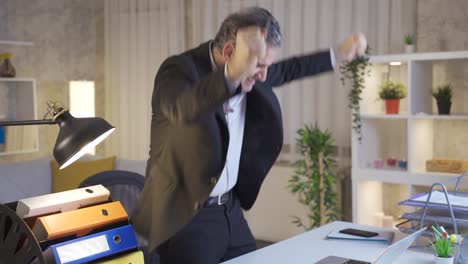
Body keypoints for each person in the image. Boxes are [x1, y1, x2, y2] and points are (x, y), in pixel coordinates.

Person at [132, 7, 367, 264]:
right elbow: (184, 109)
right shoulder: (178, 71)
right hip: (187, 218)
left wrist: (338, 54)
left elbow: (290, 69)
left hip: (230, 210)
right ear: (230, 52)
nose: (264, 75)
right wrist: (232, 75)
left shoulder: (255, 70)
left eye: (267, 65)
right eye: (259, 66)